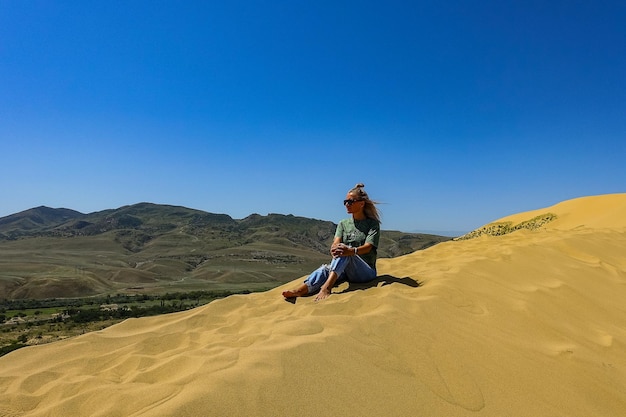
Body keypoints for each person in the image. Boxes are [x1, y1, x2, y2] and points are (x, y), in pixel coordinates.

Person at [282, 183, 381, 301]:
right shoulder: (343, 224)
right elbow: (336, 242)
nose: (346, 205)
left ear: (361, 203)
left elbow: (368, 247)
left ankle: (327, 287)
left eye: (350, 202)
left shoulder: (372, 224)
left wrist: (351, 251)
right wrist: (334, 248)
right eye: (345, 202)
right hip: (346, 271)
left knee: (345, 251)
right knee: (325, 269)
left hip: (366, 272)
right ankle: (300, 290)